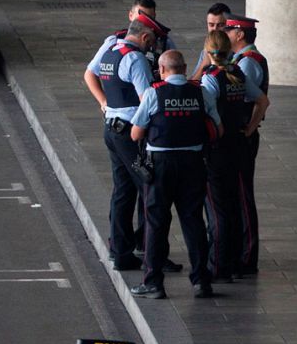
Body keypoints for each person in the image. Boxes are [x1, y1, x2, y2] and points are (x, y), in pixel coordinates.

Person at [128, 50, 220, 299]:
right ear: (184, 67)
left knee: (156, 222)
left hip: (160, 166)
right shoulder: (201, 92)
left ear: (161, 69)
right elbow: (217, 128)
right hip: (193, 163)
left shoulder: (153, 93)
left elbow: (135, 134)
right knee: (193, 222)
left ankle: (153, 282)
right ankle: (201, 281)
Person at [83, 21, 156, 270]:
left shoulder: (111, 50)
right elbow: (147, 99)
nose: (152, 45)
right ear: (144, 37)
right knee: (149, 188)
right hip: (129, 134)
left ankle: (120, 251)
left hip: (112, 129)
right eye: (151, 40)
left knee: (123, 191)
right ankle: (152, 253)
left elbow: (90, 73)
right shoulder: (135, 59)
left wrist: (103, 102)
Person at [197, 30, 260, 282]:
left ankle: (218, 266)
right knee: (234, 205)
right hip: (239, 144)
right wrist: (249, 128)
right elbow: (262, 101)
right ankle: (234, 261)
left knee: (216, 208)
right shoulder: (237, 74)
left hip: (218, 149)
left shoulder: (210, 79)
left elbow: (207, 115)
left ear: (208, 51)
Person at [224, 15, 270, 275]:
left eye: (228, 30)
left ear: (240, 34)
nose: (225, 34)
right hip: (240, 136)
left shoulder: (248, 63)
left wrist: (248, 131)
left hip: (242, 136)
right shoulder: (240, 60)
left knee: (242, 195)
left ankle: (247, 255)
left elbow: (258, 100)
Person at [190, 2, 232, 80]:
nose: (215, 29)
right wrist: (204, 64)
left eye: (220, 25)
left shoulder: (235, 50)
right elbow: (192, 83)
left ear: (229, 24)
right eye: (211, 25)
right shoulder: (206, 50)